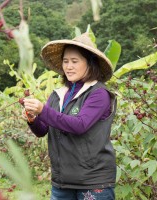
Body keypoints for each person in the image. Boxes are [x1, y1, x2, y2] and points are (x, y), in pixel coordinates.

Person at [23, 33, 117, 200]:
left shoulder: (99, 93)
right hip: (61, 182)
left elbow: (80, 125)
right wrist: (33, 118)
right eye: (65, 61)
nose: (69, 66)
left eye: (75, 61)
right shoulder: (58, 94)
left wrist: (43, 110)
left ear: (90, 63)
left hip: (93, 182)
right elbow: (43, 130)